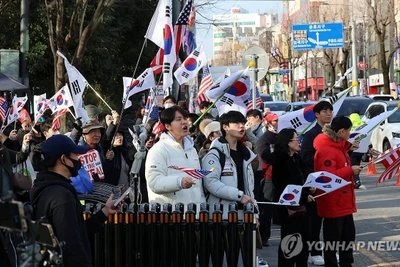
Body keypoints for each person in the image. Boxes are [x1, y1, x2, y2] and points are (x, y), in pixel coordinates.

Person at [30, 134, 123, 267]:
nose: (79, 159)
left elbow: (77, 230)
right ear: (63, 159)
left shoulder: (47, 187)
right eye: (75, 155)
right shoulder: (61, 196)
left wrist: (105, 211)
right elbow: (71, 247)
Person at [313, 116, 362, 267]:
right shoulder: (327, 150)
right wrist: (350, 170)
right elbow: (326, 177)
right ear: (341, 131)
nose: (349, 133)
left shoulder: (337, 146)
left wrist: (349, 148)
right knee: (333, 240)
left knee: (347, 237)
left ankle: (347, 264)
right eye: (349, 130)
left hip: (343, 201)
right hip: (333, 202)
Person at [145, 106, 206, 207]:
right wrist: (179, 182)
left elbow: (198, 184)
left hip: (194, 215)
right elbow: (154, 182)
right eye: (178, 119)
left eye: (185, 118)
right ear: (168, 126)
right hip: (170, 216)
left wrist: (202, 206)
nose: (184, 122)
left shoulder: (192, 149)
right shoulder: (158, 150)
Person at [201, 111, 257, 220]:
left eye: (243, 123)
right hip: (222, 216)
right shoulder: (215, 154)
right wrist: (239, 195)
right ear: (225, 127)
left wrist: (255, 214)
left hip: (246, 215)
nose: (241, 126)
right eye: (236, 123)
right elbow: (211, 183)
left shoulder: (246, 154)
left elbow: (250, 188)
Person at [272, 128, 313, 267]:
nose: (298, 141)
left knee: (304, 240)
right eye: (296, 138)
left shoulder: (296, 157)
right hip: (289, 208)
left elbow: (304, 178)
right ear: (288, 142)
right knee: (290, 242)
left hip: (302, 207)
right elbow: (284, 185)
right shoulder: (280, 160)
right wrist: (304, 196)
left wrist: (309, 188)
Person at [300, 100, 333, 266]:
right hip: (316, 183)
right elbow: (306, 158)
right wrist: (315, 177)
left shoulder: (333, 134)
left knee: (332, 220)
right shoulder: (312, 134)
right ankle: (314, 252)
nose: (328, 114)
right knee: (314, 220)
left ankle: (330, 254)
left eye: (330, 111)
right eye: (325, 111)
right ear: (317, 115)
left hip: (332, 184)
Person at [255, 112, 279, 247]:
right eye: (274, 121)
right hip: (268, 177)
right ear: (267, 123)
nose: (277, 123)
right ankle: (264, 236)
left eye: (277, 120)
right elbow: (265, 158)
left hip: (280, 176)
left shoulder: (279, 137)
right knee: (266, 208)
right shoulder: (264, 140)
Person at [349, 109, 367, 190]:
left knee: (352, 166)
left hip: (351, 148)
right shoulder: (362, 124)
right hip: (361, 149)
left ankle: (356, 181)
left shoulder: (348, 123)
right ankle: (356, 180)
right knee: (357, 165)